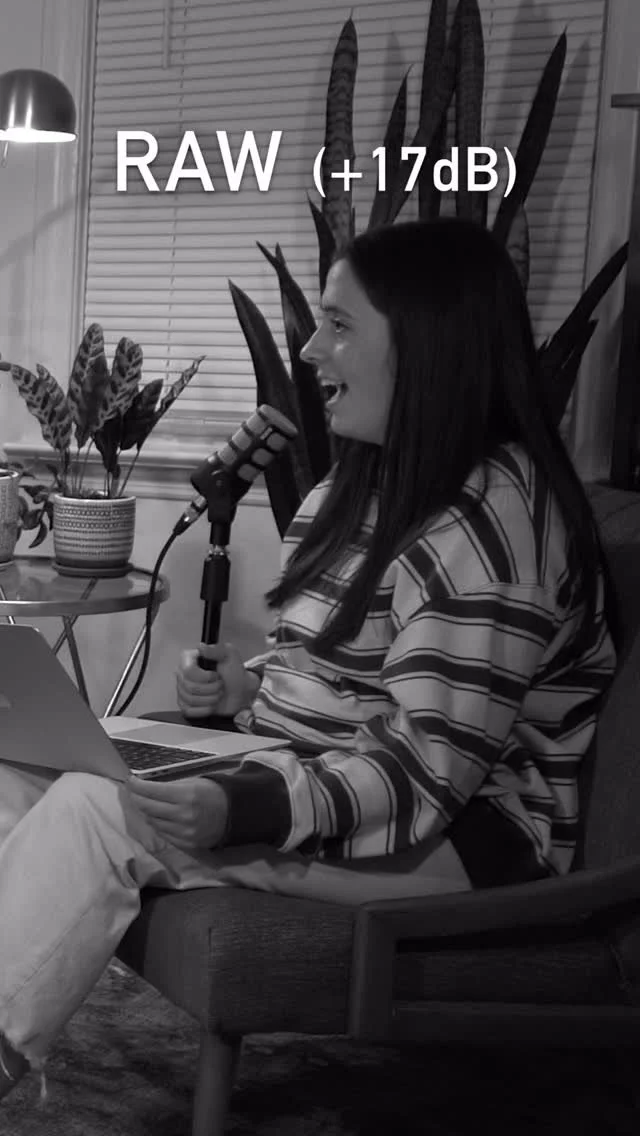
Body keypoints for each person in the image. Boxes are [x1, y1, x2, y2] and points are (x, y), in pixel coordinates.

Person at [0, 217, 616, 1104]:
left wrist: (241, 805)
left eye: (340, 325)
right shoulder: (358, 485)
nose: (309, 348)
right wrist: (241, 693)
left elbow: (424, 771)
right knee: (27, 766)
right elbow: (339, 671)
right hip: (319, 769)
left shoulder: (493, 528)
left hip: (462, 839)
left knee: (102, 809)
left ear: (428, 344)